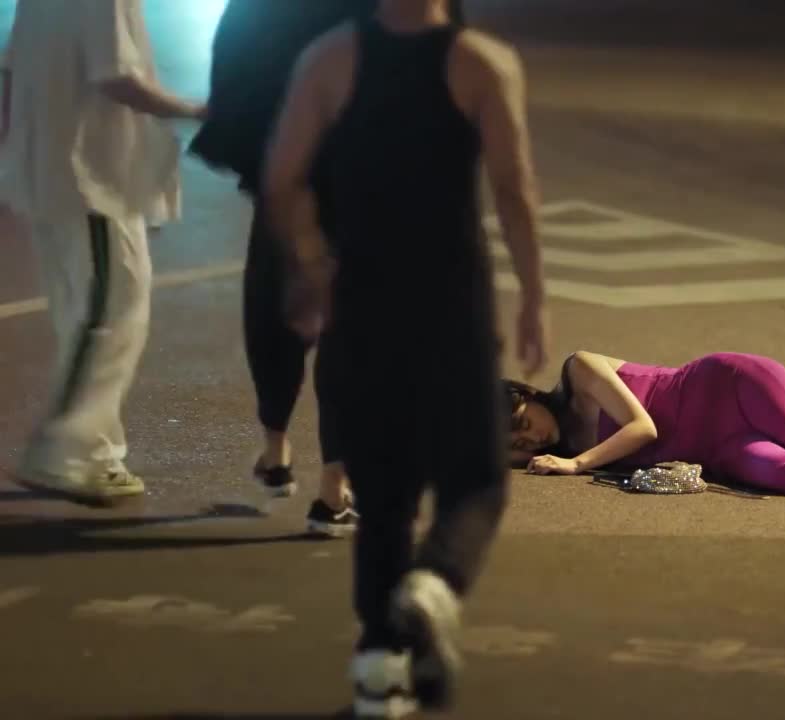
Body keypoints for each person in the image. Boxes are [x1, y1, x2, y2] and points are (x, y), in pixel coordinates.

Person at [263, 0, 547, 716]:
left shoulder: (331, 58)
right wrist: (534, 295)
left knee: (383, 496)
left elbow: (283, 175)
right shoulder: (480, 63)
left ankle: (378, 668)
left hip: (363, 302)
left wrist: (309, 266)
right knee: (476, 478)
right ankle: (436, 581)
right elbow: (513, 187)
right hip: (451, 299)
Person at [0, 0, 205, 504]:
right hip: (91, 179)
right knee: (112, 314)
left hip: (50, 171)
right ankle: (60, 453)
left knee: (83, 316)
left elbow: (11, 69)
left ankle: (97, 455)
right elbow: (116, 76)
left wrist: (16, 148)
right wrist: (195, 110)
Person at [191, 0, 378, 537]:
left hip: (284, 162)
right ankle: (334, 488)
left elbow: (234, 50)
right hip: (365, 169)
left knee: (274, 305)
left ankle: (275, 448)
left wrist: (245, 145)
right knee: (352, 329)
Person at [508, 351, 785, 506]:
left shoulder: (580, 370)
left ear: (526, 393)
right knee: (783, 472)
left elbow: (642, 428)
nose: (531, 438)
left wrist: (577, 464)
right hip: (720, 449)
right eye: (520, 442)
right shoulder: (563, 447)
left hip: (729, 386)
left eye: (524, 422)